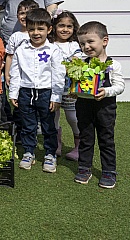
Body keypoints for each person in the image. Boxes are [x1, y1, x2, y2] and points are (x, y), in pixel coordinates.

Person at [9, 8, 65, 174]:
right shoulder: (21, 49)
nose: (36, 33)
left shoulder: (53, 50)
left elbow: (58, 75)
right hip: (26, 92)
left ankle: (49, 154)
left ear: (49, 29)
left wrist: (56, 97)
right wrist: (13, 93)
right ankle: (28, 152)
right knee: (28, 124)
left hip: (46, 93)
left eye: (40, 29)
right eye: (32, 28)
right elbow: (15, 72)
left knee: (48, 125)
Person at [74, 21, 125, 189]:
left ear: (105, 41)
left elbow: (120, 86)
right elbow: (74, 82)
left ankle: (109, 171)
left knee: (106, 139)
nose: (86, 46)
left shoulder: (113, 65)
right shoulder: (80, 64)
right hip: (83, 106)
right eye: (82, 43)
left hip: (105, 108)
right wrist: (73, 88)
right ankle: (84, 168)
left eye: (90, 42)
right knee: (86, 138)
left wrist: (106, 91)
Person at [50, 10, 83, 160]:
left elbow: (76, 61)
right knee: (53, 116)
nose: (65, 29)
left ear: (74, 28)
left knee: (73, 117)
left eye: (69, 26)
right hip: (52, 88)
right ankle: (57, 143)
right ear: (54, 27)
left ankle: (79, 146)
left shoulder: (74, 44)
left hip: (69, 88)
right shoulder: (49, 44)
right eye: (61, 25)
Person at [4, 0, 40, 87]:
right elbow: (10, 56)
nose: (25, 16)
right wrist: (7, 74)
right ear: (17, 16)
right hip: (18, 75)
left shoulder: (39, 35)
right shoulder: (15, 36)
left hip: (36, 76)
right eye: (22, 13)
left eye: (29, 13)